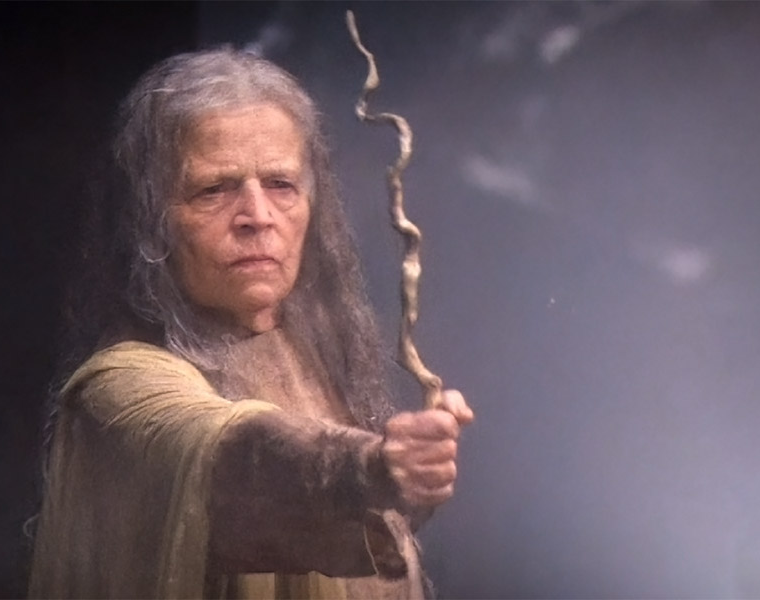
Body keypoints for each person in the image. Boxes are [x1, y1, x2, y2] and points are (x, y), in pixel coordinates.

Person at [27, 48, 474, 600]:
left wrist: (416, 467)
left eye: (281, 184)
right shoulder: (114, 391)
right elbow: (228, 461)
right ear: (151, 220)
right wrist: (369, 467)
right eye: (213, 189)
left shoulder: (310, 345)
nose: (258, 216)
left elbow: (353, 537)